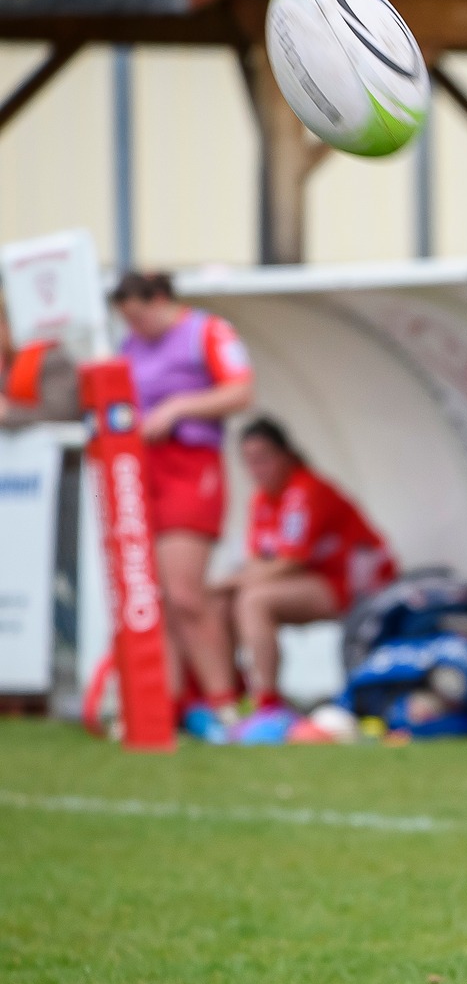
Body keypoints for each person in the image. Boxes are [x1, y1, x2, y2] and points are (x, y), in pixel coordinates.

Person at [112, 271, 255, 740]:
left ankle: (222, 702)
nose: (135, 328)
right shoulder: (129, 345)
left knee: (186, 593)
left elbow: (241, 391)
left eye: (139, 315)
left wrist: (178, 408)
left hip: (189, 466)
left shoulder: (207, 332)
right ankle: (164, 703)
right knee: (150, 595)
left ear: (160, 301)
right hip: (140, 467)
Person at [215, 418, 395, 713]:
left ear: (285, 455)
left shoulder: (305, 490)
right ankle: (225, 699)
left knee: (253, 600)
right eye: (249, 461)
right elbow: (258, 561)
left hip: (358, 585)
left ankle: (268, 702)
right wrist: (228, 584)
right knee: (223, 601)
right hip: (314, 581)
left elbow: (290, 562)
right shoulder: (261, 500)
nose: (256, 469)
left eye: (263, 459)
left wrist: (229, 581)